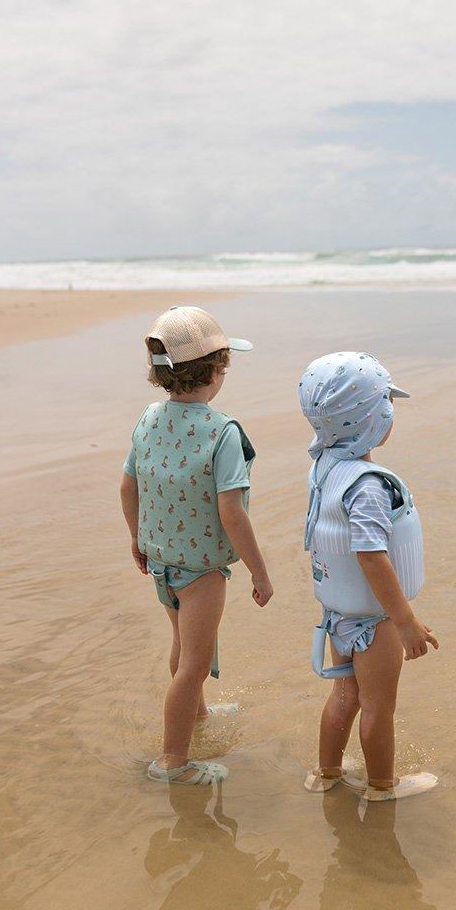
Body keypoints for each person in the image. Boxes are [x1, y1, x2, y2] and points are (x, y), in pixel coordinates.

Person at [120, 306, 273, 786]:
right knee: (194, 663)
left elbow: (129, 487)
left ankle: (199, 712)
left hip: (161, 560)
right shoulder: (222, 432)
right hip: (201, 570)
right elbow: (232, 512)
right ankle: (173, 760)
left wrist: (136, 539)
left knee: (182, 645)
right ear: (215, 369)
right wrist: (259, 572)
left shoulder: (148, 418)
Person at [298, 352, 440, 801]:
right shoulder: (369, 486)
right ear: (373, 421)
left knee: (345, 696)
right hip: (375, 621)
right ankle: (382, 787)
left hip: (339, 611)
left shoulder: (325, 469)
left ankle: (327, 774)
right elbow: (372, 555)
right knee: (379, 707)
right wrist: (404, 621)